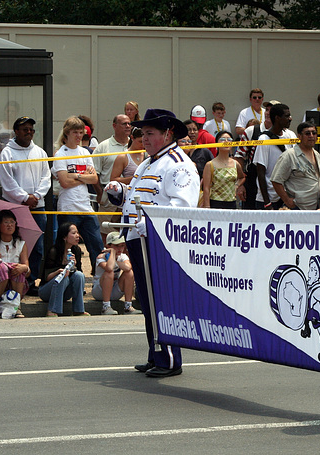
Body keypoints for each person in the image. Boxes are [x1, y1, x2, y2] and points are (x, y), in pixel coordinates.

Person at [105, 108, 200, 378]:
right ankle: (156, 353)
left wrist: (147, 225)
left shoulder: (179, 164)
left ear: (168, 133)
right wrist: (119, 192)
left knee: (161, 301)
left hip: (159, 242)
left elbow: (180, 209)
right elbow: (137, 199)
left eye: (149, 133)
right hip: (139, 239)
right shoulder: (149, 162)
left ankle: (169, 359)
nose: (143, 138)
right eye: (142, 134)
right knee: (148, 301)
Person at [0, 116, 51, 294]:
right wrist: (23, 198)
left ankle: (30, 280)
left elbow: (46, 177)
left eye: (31, 130)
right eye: (25, 129)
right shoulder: (7, 153)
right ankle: (14, 281)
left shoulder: (40, 152)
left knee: (37, 246)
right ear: (16, 132)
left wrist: (36, 196)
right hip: (15, 207)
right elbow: (7, 182)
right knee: (16, 245)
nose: (29, 132)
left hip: (38, 206)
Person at [52, 116, 104, 272]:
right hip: (68, 207)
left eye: (81, 133)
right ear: (67, 133)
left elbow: (94, 178)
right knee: (67, 246)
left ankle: (100, 278)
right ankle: (70, 276)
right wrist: (84, 178)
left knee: (96, 245)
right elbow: (64, 182)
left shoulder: (84, 152)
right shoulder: (60, 154)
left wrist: (76, 175)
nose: (79, 136)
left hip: (86, 206)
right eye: (75, 132)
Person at [0, 210, 30, 318]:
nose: (10, 225)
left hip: (16, 284)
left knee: (19, 268)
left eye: (12, 222)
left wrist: (24, 268)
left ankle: (16, 306)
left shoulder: (21, 244)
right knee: (3, 268)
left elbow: (28, 271)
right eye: (6, 222)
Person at [93, 114, 131, 245]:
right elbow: (94, 173)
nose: (127, 126)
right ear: (114, 126)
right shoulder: (103, 147)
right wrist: (100, 194)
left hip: (129, 197)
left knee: (128, 236)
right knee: (107, 236)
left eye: (129, 123)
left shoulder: (135, 146)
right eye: (124, 124)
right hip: (108, 197)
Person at [39, 222, 89, 317]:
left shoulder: (76, 250)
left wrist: (74, 266)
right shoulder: (54, 251)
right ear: (64, 237)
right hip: (47, 291)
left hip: (64, 291)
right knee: (62, 277)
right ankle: (52, 310)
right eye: (73, 233)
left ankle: (79, 310)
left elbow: (78, 275)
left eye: (77, 233)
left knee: (79, 275)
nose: (77, 236)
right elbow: (46, 277)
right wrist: (58, 271)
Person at [271, 121, 320, 210]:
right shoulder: (289, 155)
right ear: (299, 136)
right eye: (307, 133)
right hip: (298, 207)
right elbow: (276, 180)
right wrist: (287, 200)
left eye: (314, 133)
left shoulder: (317, 154)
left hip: (315, 206)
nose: (311, 136)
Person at [253, 103, 296, 210]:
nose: (290, 119)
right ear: (277, 118)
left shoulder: (290, 136)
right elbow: (261, 172)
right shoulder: (264, 139)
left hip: (285, 197)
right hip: (268, 199)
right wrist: (267, 203)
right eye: (287, 116)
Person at [93, 231, 140, 315]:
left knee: (129, 273)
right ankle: (106, 307)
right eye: (116, 246)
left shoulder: (123, 256)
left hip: (114, 289)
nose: (120, 249)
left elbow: (128, 267)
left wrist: (116, 262)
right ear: (108, 246)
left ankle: (128, 306)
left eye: (122, 246)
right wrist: (112, 253)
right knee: (109, 273)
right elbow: (109, 268)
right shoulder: (101, 257)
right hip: (99, 291)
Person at [201, 131, 245, 209]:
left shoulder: (236, 163)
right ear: (217, 143)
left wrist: (236, 186)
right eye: (222, 139)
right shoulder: (210, 164)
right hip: (215, 203)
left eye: (229, 139)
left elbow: (242, 177)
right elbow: (206, 188)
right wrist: (207, 207)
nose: (226, 142)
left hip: (231, 203)